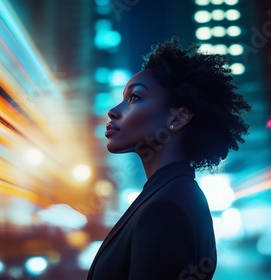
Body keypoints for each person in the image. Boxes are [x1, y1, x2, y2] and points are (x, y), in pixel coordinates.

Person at [87, 37, 251, 280]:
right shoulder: (173, 194)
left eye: (134, 98)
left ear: (178, 118)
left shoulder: (165, 208)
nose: (113, 111)